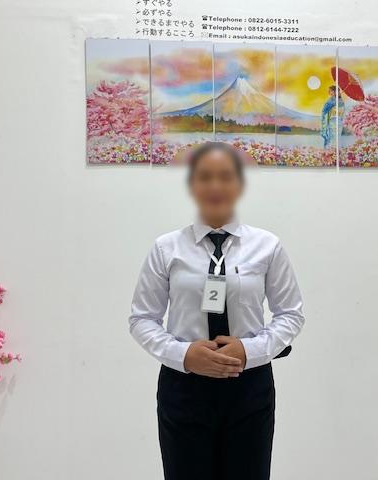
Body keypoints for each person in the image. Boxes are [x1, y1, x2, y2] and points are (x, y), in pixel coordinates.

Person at [128, 142, 305, 480]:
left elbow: (291, 314)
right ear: (192, 185)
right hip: (184, 387)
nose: (215, 186)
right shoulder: (166, 248)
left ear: (239, 185)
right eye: (205, 177)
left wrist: (249, 350)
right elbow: (142, 319)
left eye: (225, 177)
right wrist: (184, 355)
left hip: (249, 386)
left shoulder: (267, 246)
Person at [321, 84, 345, 149]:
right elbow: (324, 111)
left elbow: (324, 111)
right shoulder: (336, 100)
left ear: (335, 91)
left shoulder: (335, 100)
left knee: (335, 137)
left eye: (330, 91)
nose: (329, 92)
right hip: (336, 121)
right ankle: (333, 150)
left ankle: (333, 151)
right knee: (334, 137)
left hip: (335, 121)